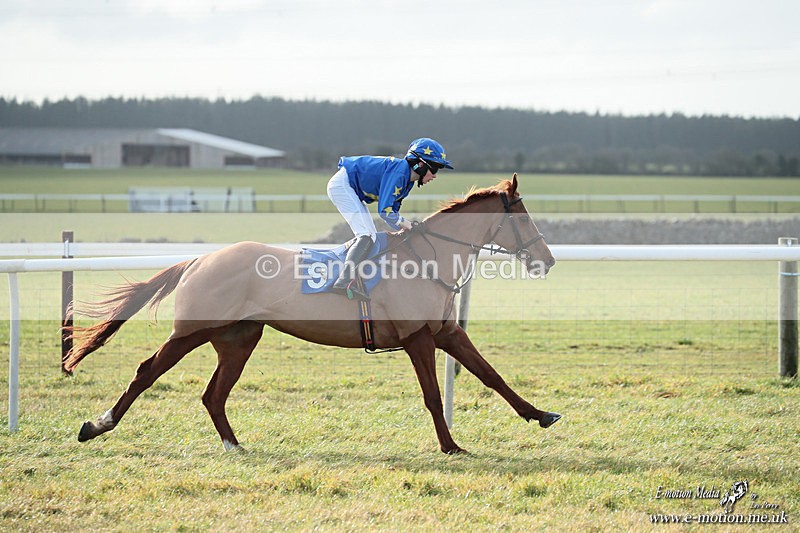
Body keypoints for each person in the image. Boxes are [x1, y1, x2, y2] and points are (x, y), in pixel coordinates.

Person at [326, 137, 453, 299]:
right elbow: (385, 212)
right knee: (366, 235)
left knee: (370, 236)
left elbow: (393, 213)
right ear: (420, 165)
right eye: (434, 169)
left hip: (351, 187)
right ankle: (343, 282)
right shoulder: (400, 173)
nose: (435, 176)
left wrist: (407, 228)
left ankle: (352, 279)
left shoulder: (407, 181)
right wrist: (408, 225)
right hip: (343, 185)